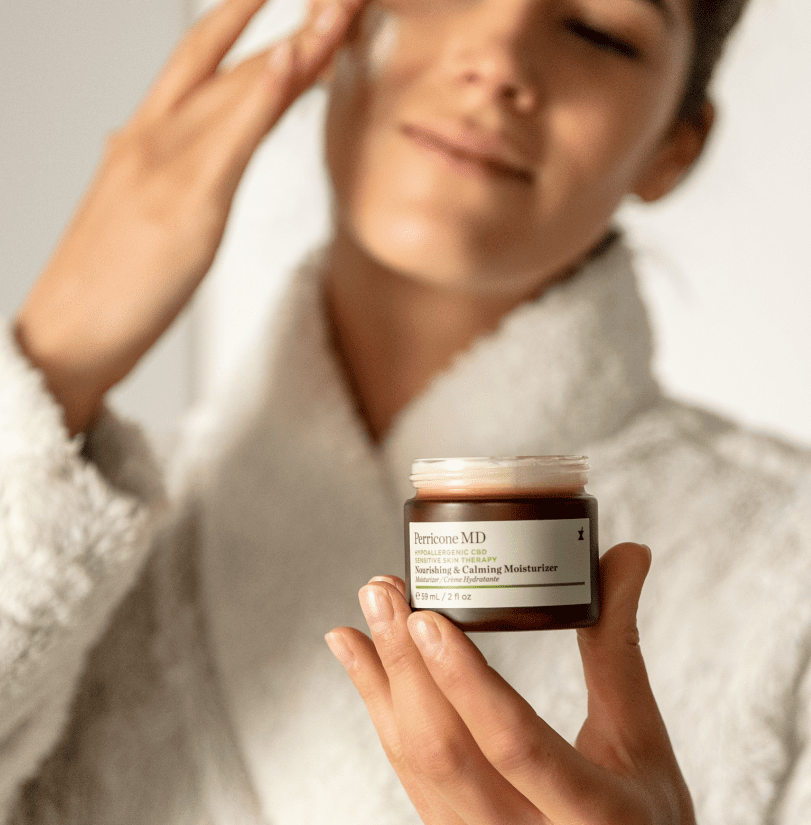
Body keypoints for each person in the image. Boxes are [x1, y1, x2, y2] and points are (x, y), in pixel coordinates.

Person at [2, 0, 810, 822]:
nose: (497, 59)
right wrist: (57, 356)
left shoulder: (792, 568)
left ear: (674, 145)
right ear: (337, 25)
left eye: (597, 29)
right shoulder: (81, 553)